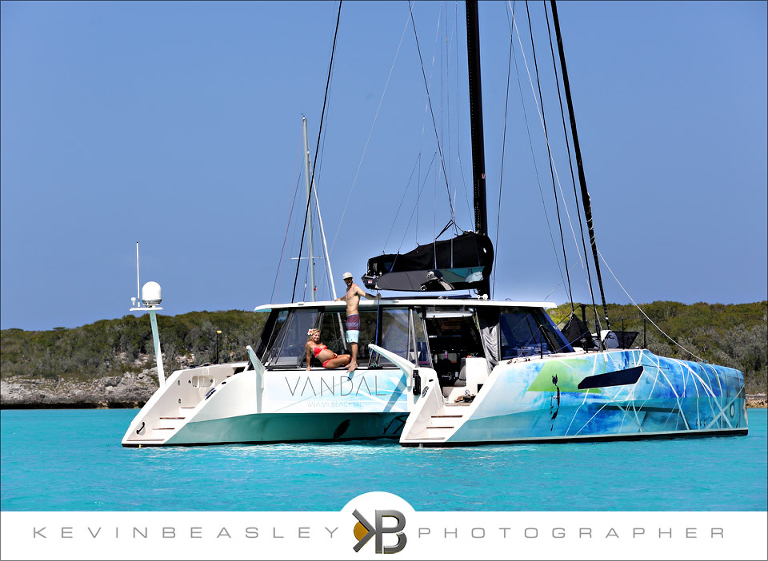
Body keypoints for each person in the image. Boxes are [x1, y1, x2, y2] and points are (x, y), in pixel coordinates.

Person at [335, 272, 379, 372]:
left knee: (353, 341)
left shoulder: (355, 288)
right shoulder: (348, 290)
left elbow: (365, 295)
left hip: (354, 317)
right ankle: (352, 361)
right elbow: (347, 297)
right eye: (346, 279)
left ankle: (354, 362)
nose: (348, 280)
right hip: (349, 318)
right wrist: (339, 299)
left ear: (352, 278)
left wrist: (376, 298)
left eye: (349, 278)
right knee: (351, 341)